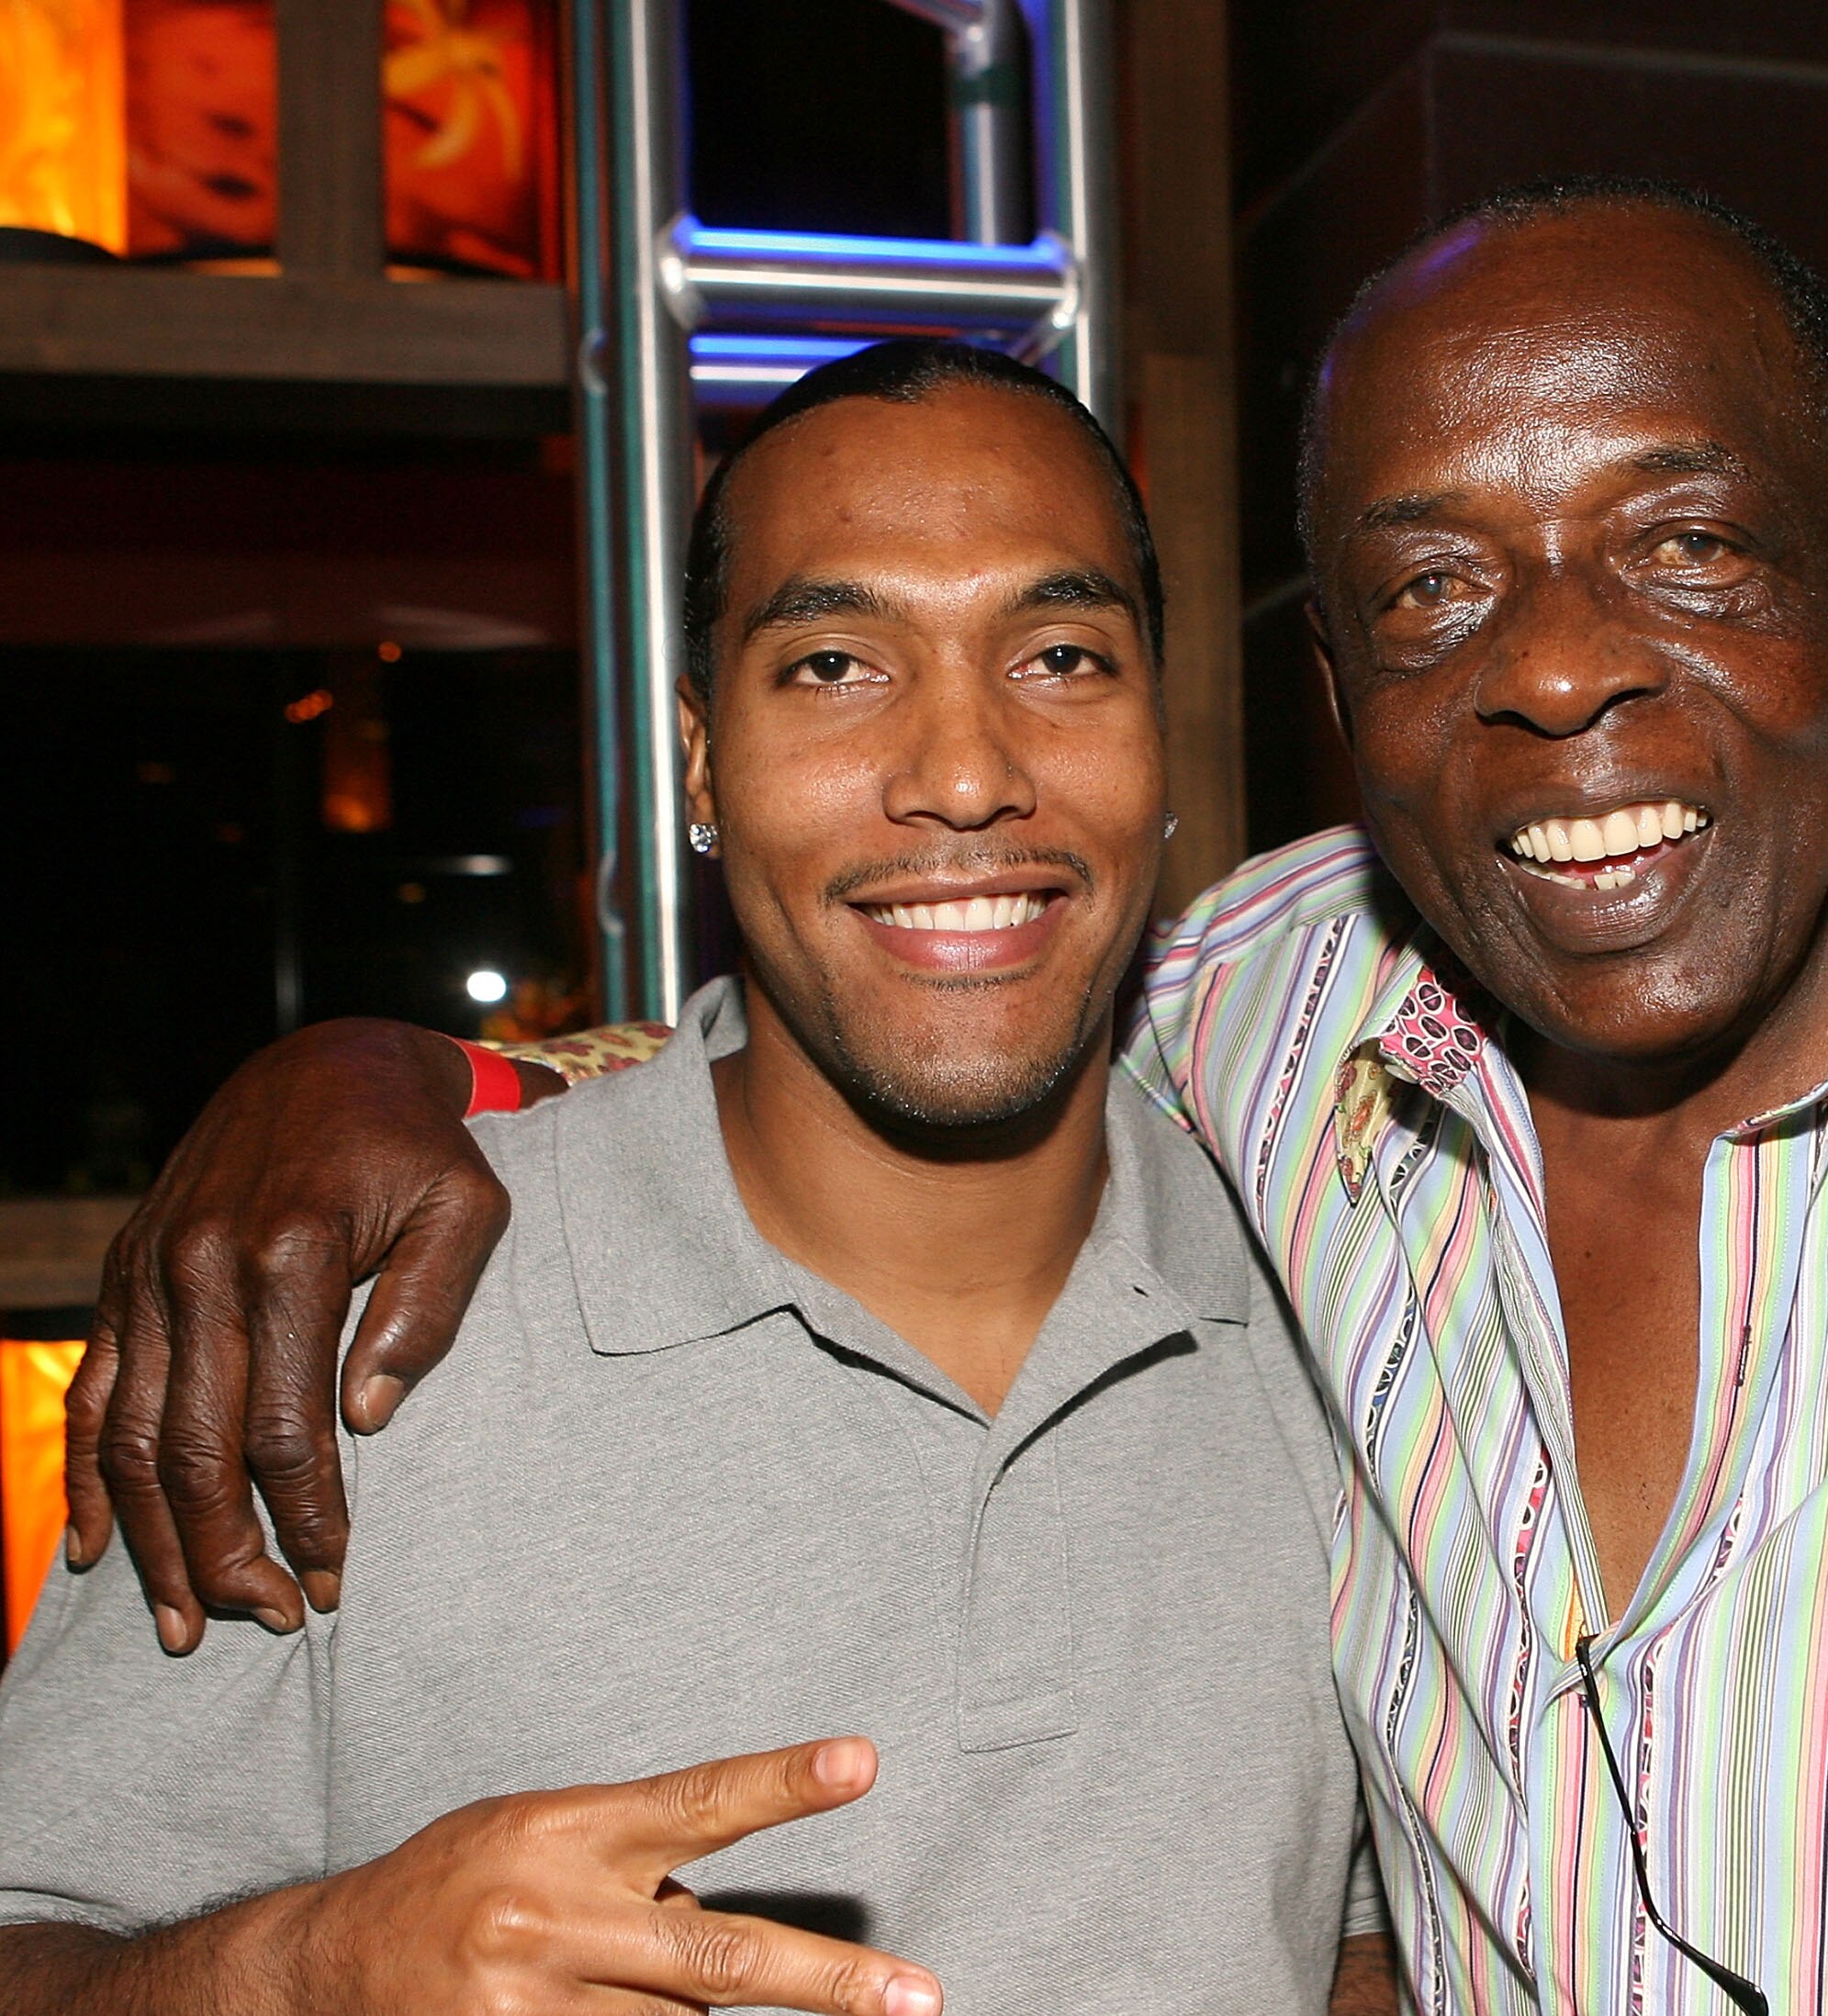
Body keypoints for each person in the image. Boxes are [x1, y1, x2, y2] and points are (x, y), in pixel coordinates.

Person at [66, 180, 1828, 2012]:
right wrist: (379, 1071)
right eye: (1441, 586)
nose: (1564, 665)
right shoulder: (1276, 1039)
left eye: (1688, 539)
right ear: (1345, 712)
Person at [0, 339, 1390, 2016]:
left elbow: (1356, 1927)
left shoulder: (1348, 1286)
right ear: (701, 762)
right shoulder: (343, 1323)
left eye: (1063, 653)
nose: (964, 772)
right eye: (832, 665)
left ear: (1158, 734)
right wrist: (305, 1976)